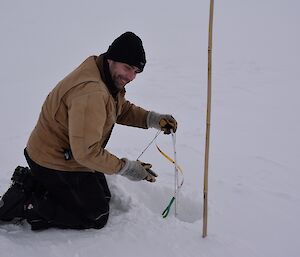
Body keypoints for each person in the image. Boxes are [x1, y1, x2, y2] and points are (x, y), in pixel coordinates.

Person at [0, 31, 177, 230]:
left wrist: (152, 119)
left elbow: (118, 108)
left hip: (69, 154)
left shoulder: (103, 72)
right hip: (53, 159)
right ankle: (27, 204)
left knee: (103, 196)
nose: (130, 77)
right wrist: (128, 168)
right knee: (95, 215)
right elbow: (87, 152)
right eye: (128, 68)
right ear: (112, 58)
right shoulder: (91, 92)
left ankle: (39, 184)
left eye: (136, 71)